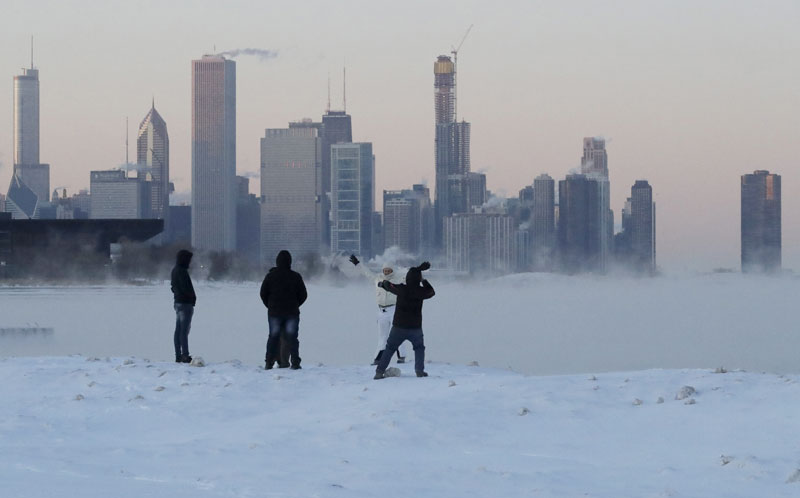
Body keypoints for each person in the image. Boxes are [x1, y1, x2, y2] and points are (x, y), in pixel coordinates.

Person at [374, 262, 435, 379]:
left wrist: (382, 284)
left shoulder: (401, 289)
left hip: (398, 327)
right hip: (415, 328)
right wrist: (423, 281)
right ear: (418, 279)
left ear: (407, 278)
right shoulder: (421, 291)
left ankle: (379, 372)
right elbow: (432, 292)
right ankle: (419, 371)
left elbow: (389, 285)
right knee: (419, 348)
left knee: (389, 348)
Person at [348, 254, 407, 365]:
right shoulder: (378, 278)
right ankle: (378, 359)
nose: (387, 272)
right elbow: (366, 272)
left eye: (389, 270)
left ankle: (402, 356)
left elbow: (411, 277)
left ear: (392, 270)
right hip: (382, 312)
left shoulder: (398, 279)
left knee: (397, 333)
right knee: (382, 337)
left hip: (394, 310)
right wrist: (358, 264)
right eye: (385, 270)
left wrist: (419, 272)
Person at [260, 250, 308, 370]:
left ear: (277, 262)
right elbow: (303, 295)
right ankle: (295, 362)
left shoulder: (270, 276)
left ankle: (269, 362)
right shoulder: (296, 276)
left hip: (274, 313)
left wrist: (270, 305)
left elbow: (263, 293)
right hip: (292, 312)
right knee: (292, 338)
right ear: (290, 262)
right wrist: (296, 304)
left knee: (273, 337)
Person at [170, 249, 196, 364]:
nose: (190, 262)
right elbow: (186, 288)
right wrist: (192, 298)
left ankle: (178, 355)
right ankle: (185, 355)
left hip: (178, 302)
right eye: (189, 259)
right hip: (185, 304)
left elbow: (173, 287)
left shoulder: (175, 270)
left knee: (178, 330)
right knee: (184, 331)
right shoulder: (182, 271)